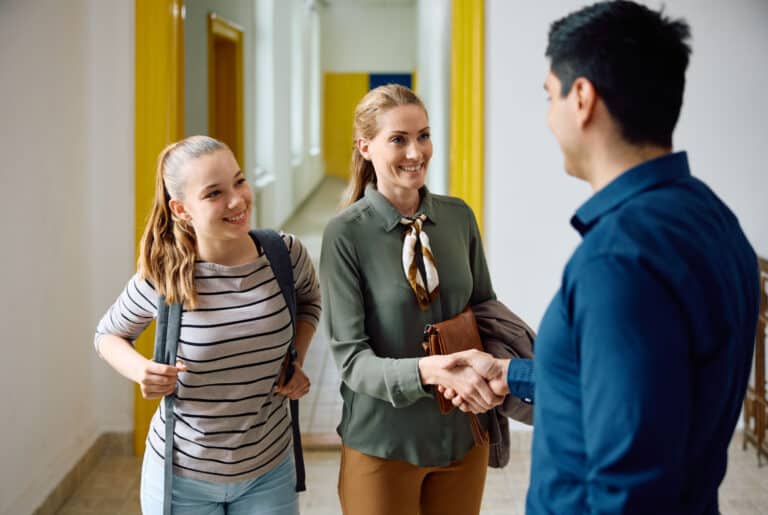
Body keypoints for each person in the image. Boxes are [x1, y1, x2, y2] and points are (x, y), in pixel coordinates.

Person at [448, 2, 760, 513]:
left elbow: (630, 485)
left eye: (550, 96)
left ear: (583, 98)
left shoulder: (619, 262)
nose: (548, 117)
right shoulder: (713, 220)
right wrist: (512, 375)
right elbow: (641, 394)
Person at [94, 135, 321, 514]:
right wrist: (142, 370)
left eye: (239, 181)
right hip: (183, 477)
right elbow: (107, 335)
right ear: (182, 209)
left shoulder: (284, 254)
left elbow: (310, 301)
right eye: (214, 193)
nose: (237, 200)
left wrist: (294, 360)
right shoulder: (166, 275)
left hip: (270, 469)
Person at [319, 84, 507, 515]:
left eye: (423, 135)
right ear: (365, 147)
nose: (415, 152)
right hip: (384, 444)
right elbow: (351, 361)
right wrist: (430, 371)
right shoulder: (346, 235)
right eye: (398, 140)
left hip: (462, 437)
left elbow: (485, 313)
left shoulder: (458, 217)